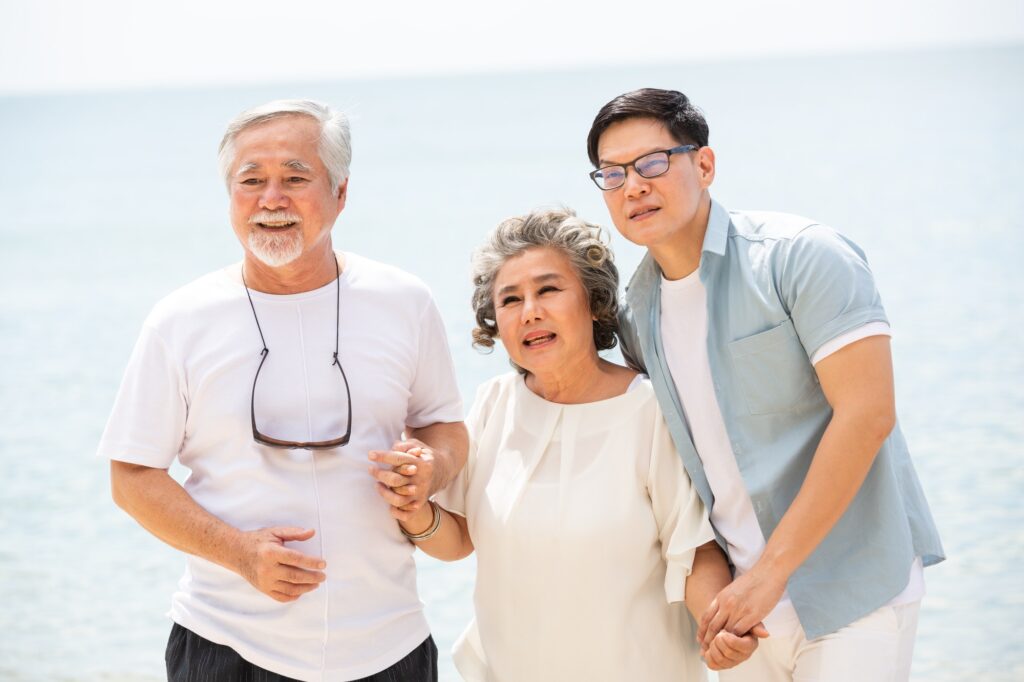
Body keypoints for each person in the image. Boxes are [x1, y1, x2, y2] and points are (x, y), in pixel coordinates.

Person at [99, 99, 467, 682]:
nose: (272, 199)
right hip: (228, 645)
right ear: (230, 199)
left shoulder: (405, 300)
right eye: (251, 182)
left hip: (390, 644)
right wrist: (238, 553)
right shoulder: (179, 320)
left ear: (340, 194)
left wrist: (435, 466)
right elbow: (132, 477)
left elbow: (443, 428)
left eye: (296, 179)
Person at [585, 88, 945, 681]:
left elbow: (868, 413)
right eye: (613, 174)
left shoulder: (801, 257)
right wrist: (720, 603)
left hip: (855, 591)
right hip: (742, 618)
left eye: (652, 163)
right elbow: (685, 479)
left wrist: (771, 573)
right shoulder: (636, 314)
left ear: (704, 164)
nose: (633, 186)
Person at [372, 207, 765, 681]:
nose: (530, 311)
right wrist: (413, 510)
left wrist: (719, 628)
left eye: (549, 289)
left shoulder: (649, 409)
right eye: (510, 300)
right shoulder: (494, 404)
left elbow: (695, 551)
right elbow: (459, 538)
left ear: (593, 302)